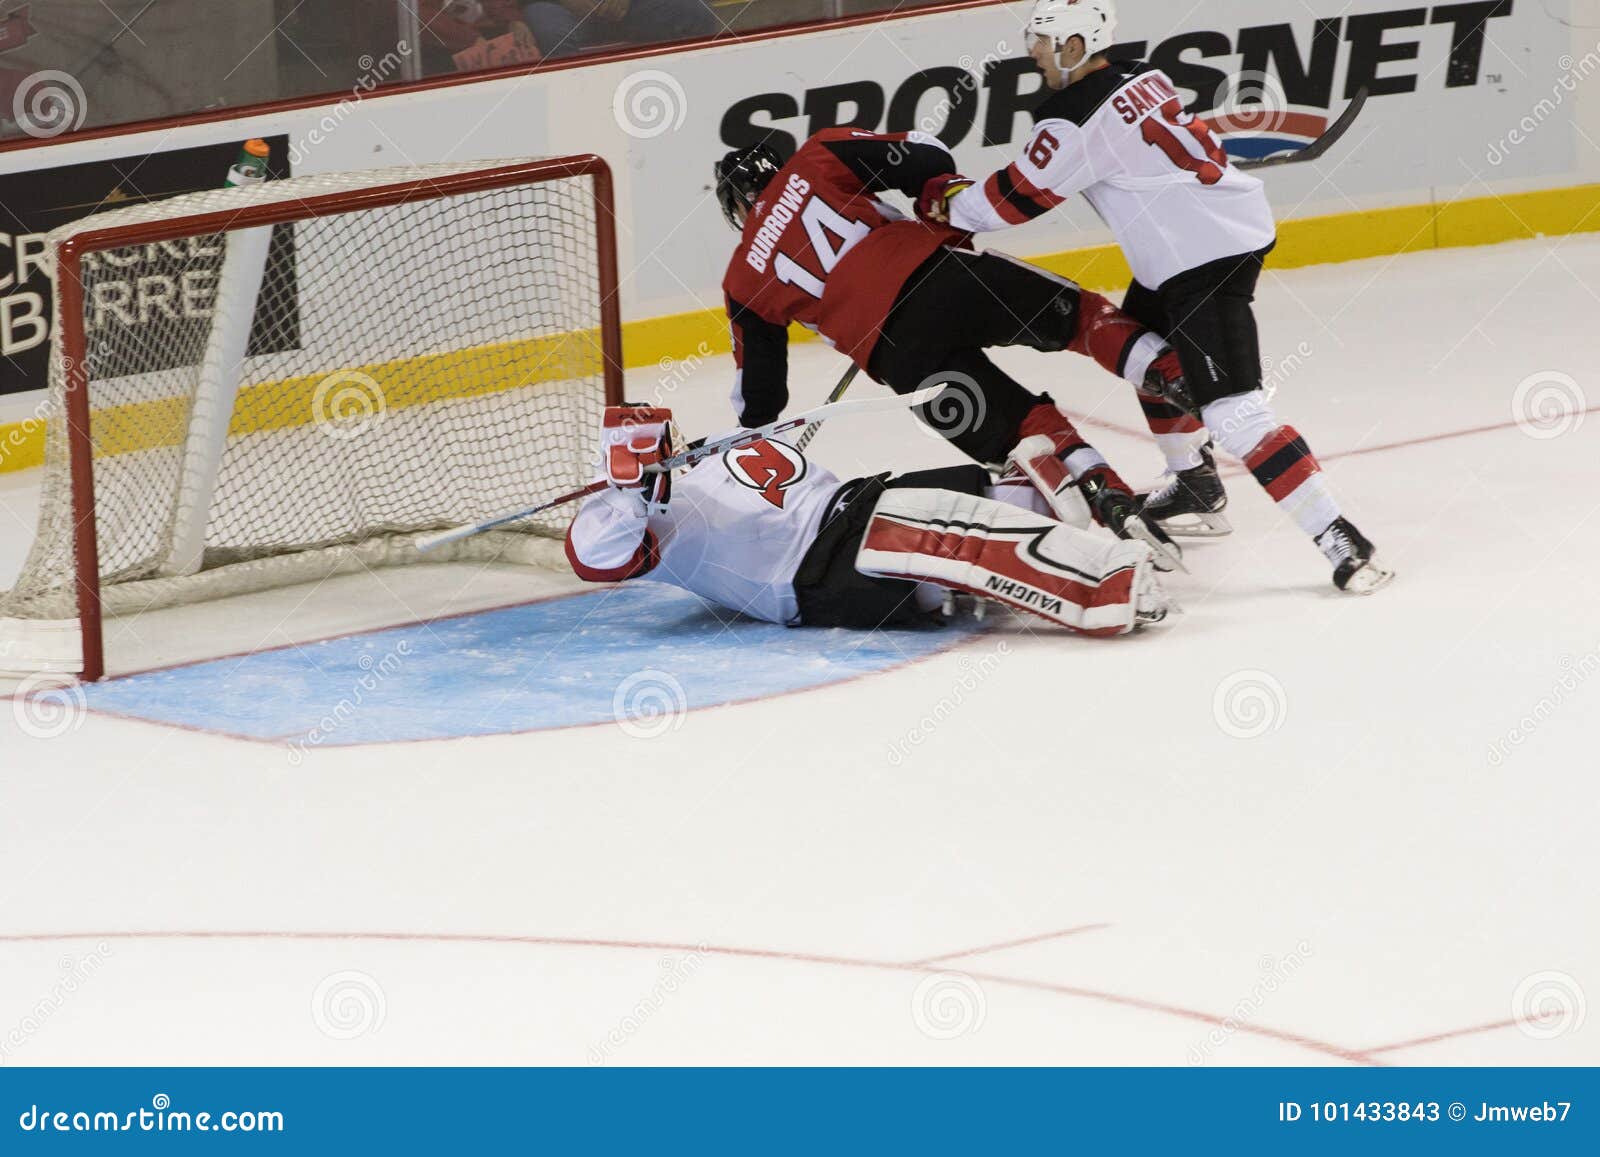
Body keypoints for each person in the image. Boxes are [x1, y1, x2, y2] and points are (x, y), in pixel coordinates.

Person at [919, 0, 1393, 595]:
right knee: (1143, 352)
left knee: (1234, 411)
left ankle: (1340, 536)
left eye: (1042, 40)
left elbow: (1009, 203)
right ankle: (1193, 480)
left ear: (1073, 47)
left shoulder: (1072, 117)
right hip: (1192, 242)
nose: (1031, 51)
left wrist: (939, 202)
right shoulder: (1142, 73)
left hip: (1203, 258)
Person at [713, 129, 1188, 572]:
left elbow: (760, 393)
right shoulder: (816, 155)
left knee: (1024, 430)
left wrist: (748, 444)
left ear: (736, 203)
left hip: (898, 358)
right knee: (1082, 318)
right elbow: (925, 156)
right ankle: (1179, 377)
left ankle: (1110, 496)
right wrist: (932, 201)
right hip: (945, 277)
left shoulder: (741, 278)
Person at [563, 405, 1172, 634]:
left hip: (854, 500)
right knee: (945, 537)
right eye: (655, 443)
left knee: (978, 491)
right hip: (816, 571)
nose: (672, 441)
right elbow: (598, 559)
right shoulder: (620, 512)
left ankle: (1022, 507)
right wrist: (633, 491)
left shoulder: (710, 449)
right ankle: (1105, 590)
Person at [520, 0, 718, 60]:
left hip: (630, 8)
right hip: (561, 9)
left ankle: (696, 93)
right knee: (549, 29)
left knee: (696, 13)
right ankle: (574, 106)